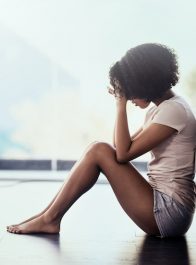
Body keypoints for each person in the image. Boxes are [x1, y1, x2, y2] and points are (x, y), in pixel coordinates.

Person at [7, 43, 196, 238]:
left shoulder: (174, 111)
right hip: (165, 206)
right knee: (98, 149)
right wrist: (120, 102)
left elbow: (122, 154)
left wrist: (120, 105)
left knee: (98, 150)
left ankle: (49, 219)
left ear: (145, 83)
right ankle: (47, 216)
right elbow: (121, 147)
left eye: (130, 90)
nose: (130, 97)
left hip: (169, 211)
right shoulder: (164, 109)